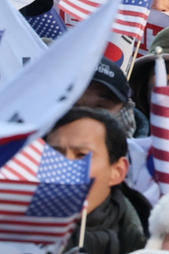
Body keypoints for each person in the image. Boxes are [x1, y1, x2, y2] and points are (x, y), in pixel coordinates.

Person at [47, 107, 149, 254]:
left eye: (82, 155)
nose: (65, 166)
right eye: (55, 155)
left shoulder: (158, 239)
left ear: (117, 171)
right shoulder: (10, 236)